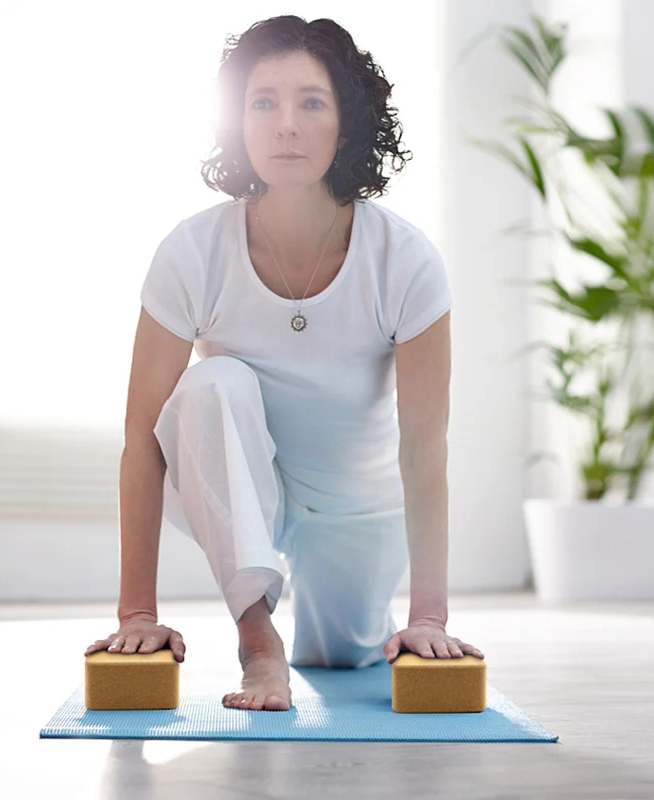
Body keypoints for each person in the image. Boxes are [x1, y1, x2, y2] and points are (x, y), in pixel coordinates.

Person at [85, 15, 484, 712]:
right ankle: (256, 641)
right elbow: (142, 439)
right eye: (263, 102)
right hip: (239, 483)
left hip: (353, 507)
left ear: (346, 122)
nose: (286, 126)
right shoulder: (191, 252)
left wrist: (431, 617)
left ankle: (347, 622)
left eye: (311, 102)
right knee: (212, 383)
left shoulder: (405, 260)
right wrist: (135, 614)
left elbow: (424, 448)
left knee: (341, 654)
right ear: (237, 121)